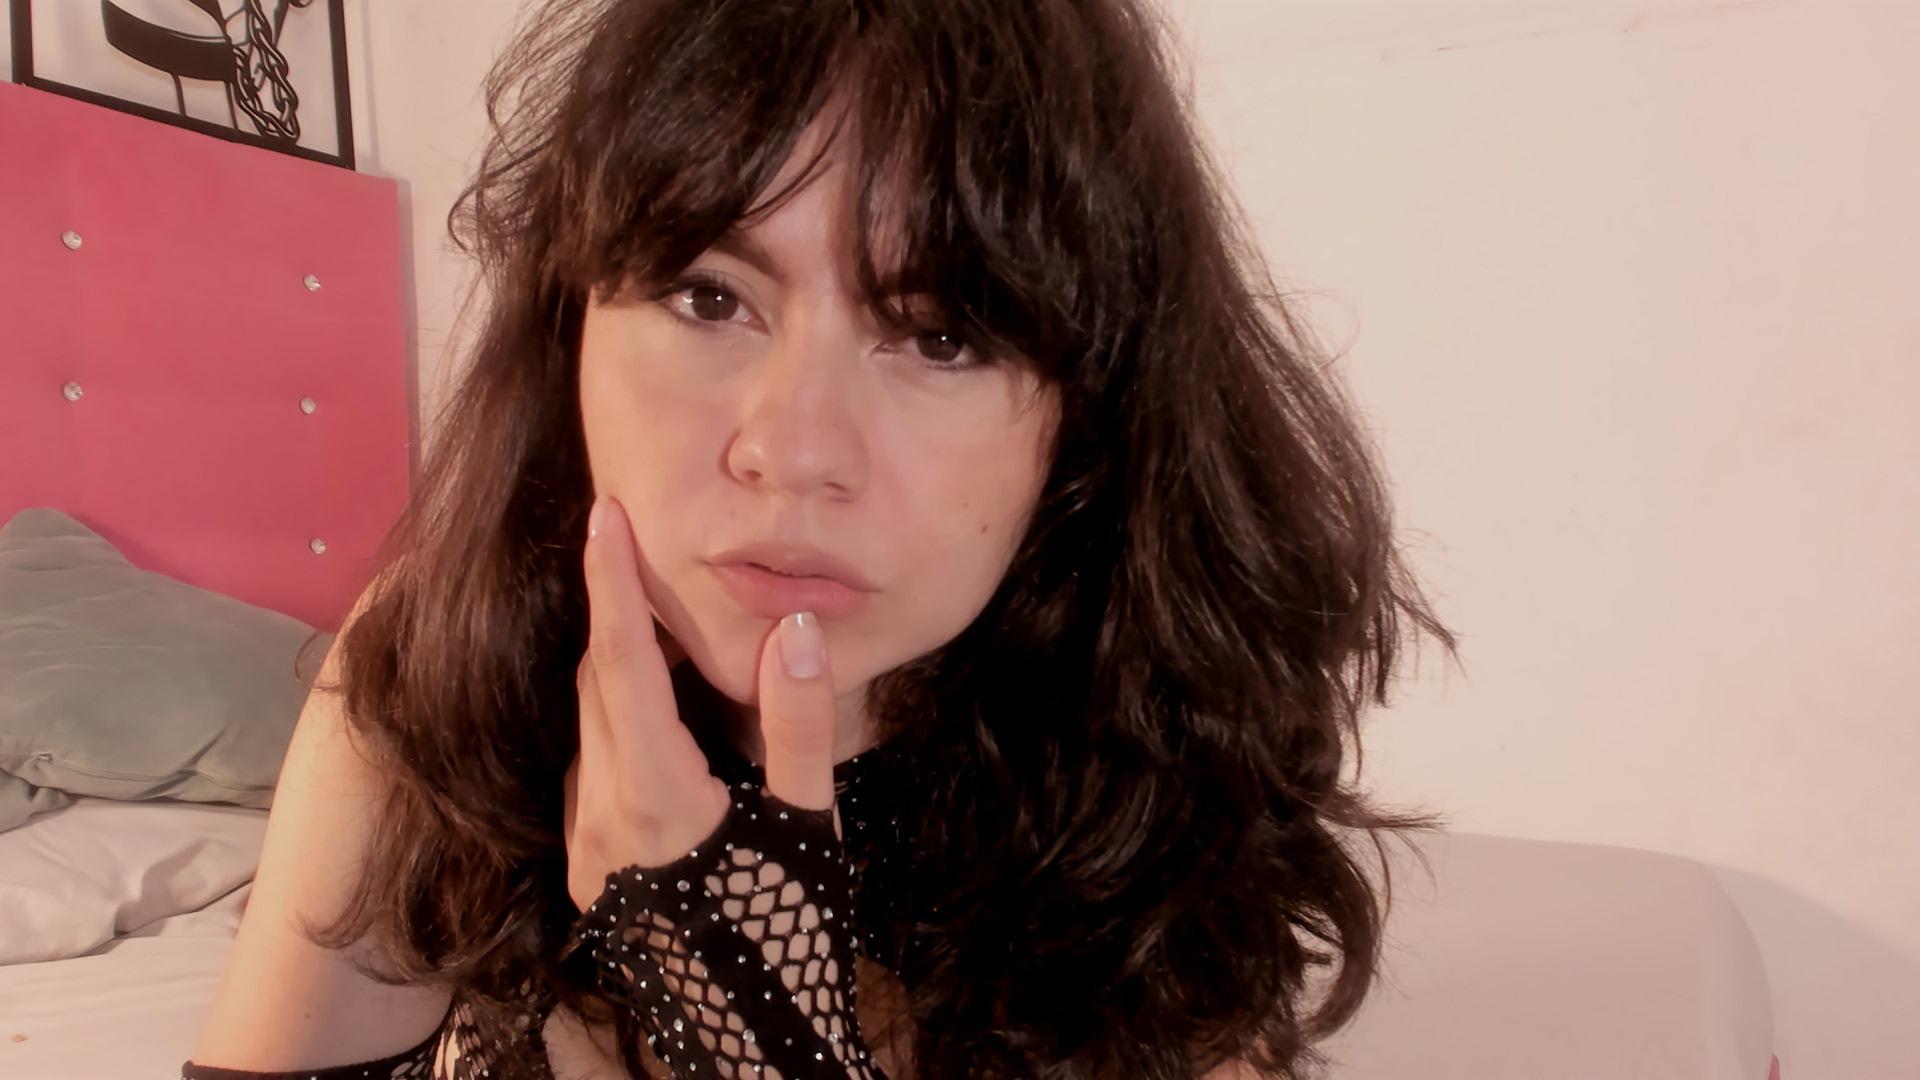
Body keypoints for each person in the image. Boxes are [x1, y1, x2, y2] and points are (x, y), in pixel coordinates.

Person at [183, 0, 1460, 1077]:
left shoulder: (1161, 772)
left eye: (941, 336)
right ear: (571, 333)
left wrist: (744, 1027)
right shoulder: (432, 666)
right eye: (709, 295)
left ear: (1082, 425)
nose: (792, 449)